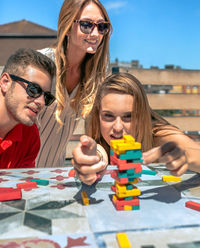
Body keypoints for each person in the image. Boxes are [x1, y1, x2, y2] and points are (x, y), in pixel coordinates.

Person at [72, 72, 200, 185]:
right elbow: (99, 150)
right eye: (108, 116)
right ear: (98, 115)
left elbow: (192, 152)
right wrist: (94, 158)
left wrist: (186, 156)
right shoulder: (97, 132)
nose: (117, 127)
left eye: (129, 116)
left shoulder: (158, 135)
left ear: (142, 116)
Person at [36, 0, 112, 167]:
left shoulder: (96, 78)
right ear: (68, 27)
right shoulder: (39, 64)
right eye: (86, 25)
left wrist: (98, 156)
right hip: (16, 174)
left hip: (54, 176)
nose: (95, 33)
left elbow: (98, 135)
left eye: (102, 27)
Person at [0, 48, 56, 168]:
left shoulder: (30, 136)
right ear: (5, 82)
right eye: (34, 89)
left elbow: (21, 186)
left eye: (47, 97)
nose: (41, 102)